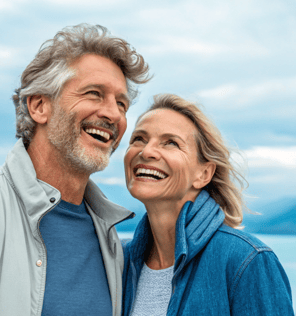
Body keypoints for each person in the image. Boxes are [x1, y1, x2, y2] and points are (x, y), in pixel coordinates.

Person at [0, 24, 150, 316]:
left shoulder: (110, 239)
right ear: (39, 106)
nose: (113, 114)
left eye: (122, 103)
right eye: (94, 93)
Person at [122, 94, 294, 315]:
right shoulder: (121, 261)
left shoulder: (247, 260)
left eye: (171, 143)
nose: (146, 152)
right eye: (139, 139)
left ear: (203, 174)